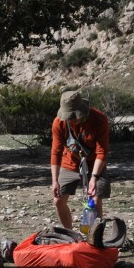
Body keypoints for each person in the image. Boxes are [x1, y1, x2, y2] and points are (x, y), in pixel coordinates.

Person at [51, 90, 111, 229]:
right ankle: (69, 234)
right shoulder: (59, 122)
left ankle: (94, 237)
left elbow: (101, 151)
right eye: (69, 117)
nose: (72, 120)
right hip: (70, 162)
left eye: (75, 117)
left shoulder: (99, 119)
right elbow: (56, 152)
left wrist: (94, 178)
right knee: (58, 200)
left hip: (94, 163)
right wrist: (54, 181)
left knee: (94, 200)